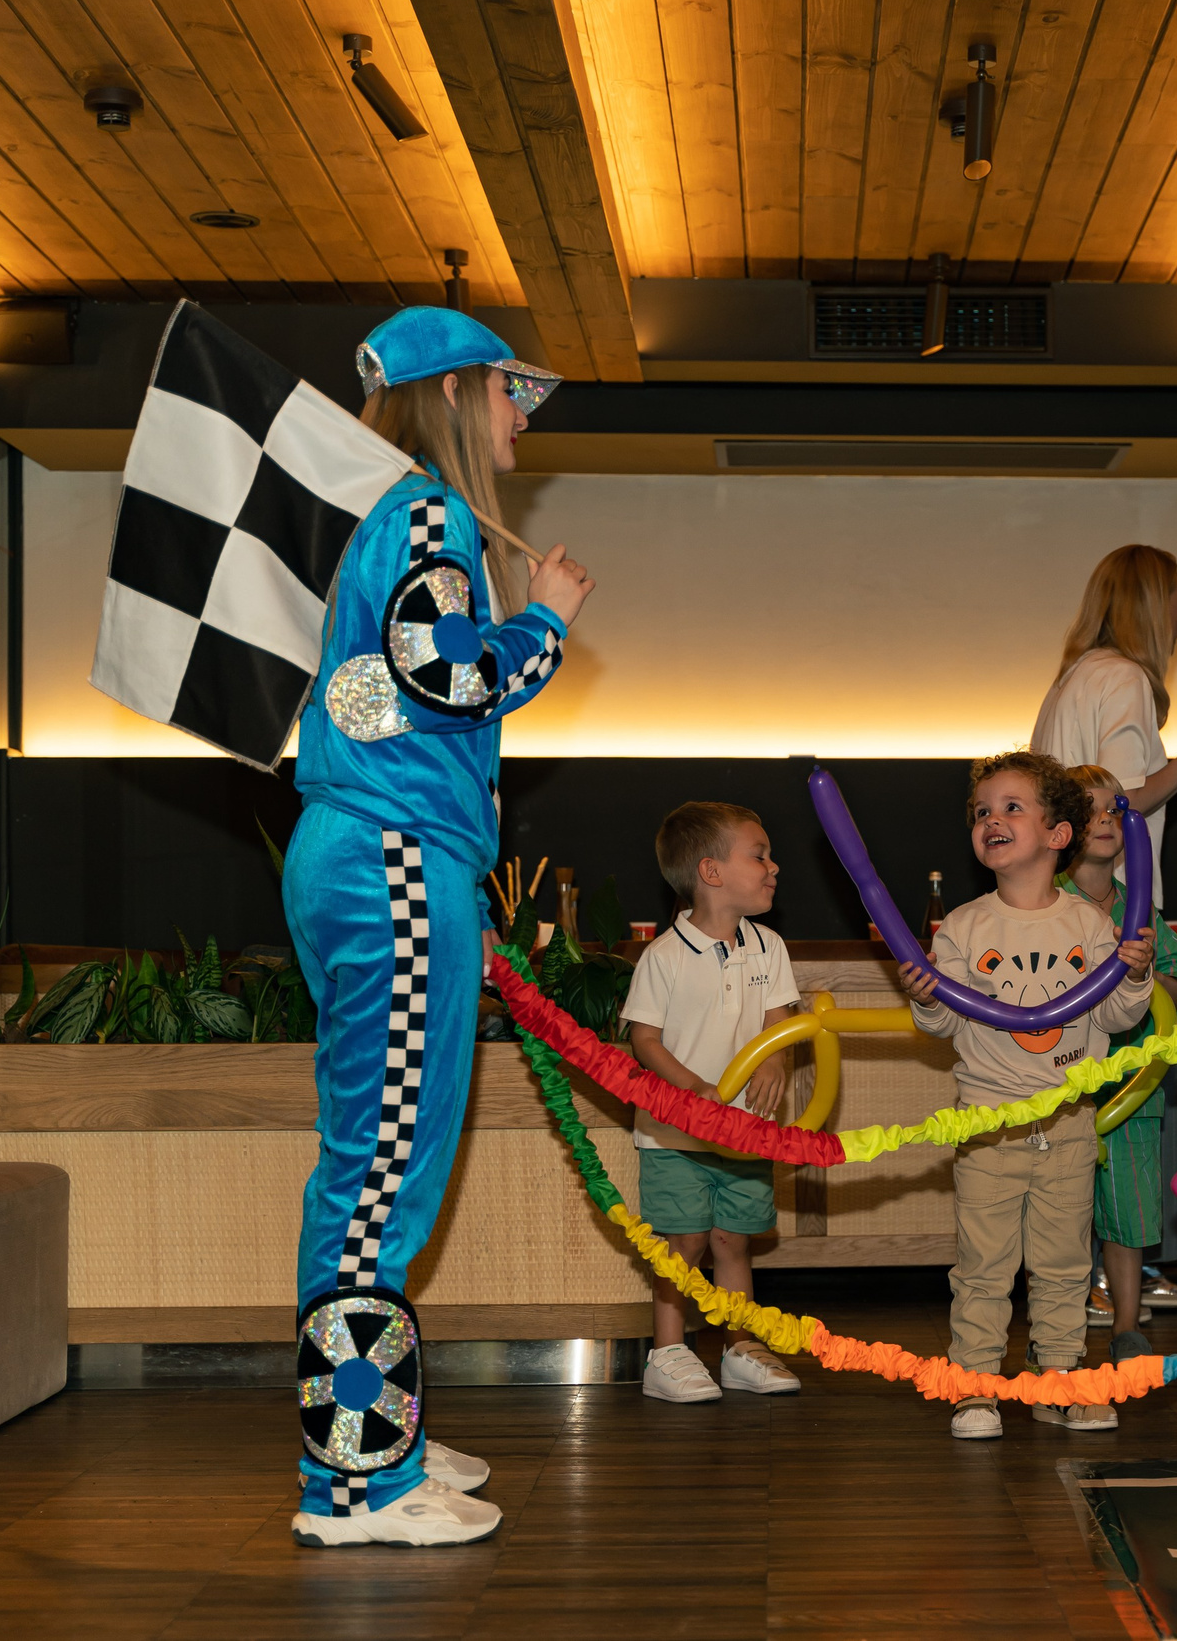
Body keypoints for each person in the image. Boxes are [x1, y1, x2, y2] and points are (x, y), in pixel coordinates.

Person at [286, 307, 593, 1547]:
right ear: (460, 391)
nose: (527, 411)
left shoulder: (391, 517)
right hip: (398, 864)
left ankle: (379, 1436)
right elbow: (442, 679)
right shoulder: (427, 513)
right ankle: (355, 1478)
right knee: (378, 1186)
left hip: (365, 855)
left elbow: (377, 689)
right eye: (515, 387)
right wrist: (550, 621)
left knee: (371, 1171)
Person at [897, 751, 1155, 1438]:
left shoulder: (1091, 926)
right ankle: (975, 1382)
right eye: (983, 811)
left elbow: (1119, 1016)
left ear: (1058, 834)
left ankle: (1060, 1377)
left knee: (1066, 1263)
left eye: (1012, 806)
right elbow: (944, 1022)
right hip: (988, 1124)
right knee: (983, 1265)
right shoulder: (963, 927)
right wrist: (925, 998)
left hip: (1068, 1122)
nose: (993, 820)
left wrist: (1135, 974)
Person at [1032, 544, 1177, 1306]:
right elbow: (1122, 798)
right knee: (1127, 1090)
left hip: (1068, 907)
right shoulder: (1122, 679)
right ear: (1151, 603)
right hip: (1111, 905)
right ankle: (1117, 1272)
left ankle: (1094, 1268)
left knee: (1077, 1088)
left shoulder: (1074, 678)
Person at [622, 802, 805, 1404]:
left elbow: (779, 1021)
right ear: (711, 872)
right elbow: (643, 1038)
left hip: (744, 1132)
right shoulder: (664, 957)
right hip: (674, 1135)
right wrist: (694, 1088)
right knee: (686, 1241)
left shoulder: (768, 946)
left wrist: (774, 1058)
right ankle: (669, 1354)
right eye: (759, 854)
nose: (773, 866)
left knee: (733, 1239)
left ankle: (739, 1346)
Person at [1057, 764, 1177, 1364]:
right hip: (1063, 1087)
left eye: (1115, 809)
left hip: (1132, 1087)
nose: (1105, 821)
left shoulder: (1138, 907)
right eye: (1089, 811)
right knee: (1061, 1208)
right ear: (1060, 827)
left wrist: (1147, 980)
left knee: (1129, 1207)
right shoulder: (1046, 906)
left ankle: (1125, 1323)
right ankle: (1061, 1321)